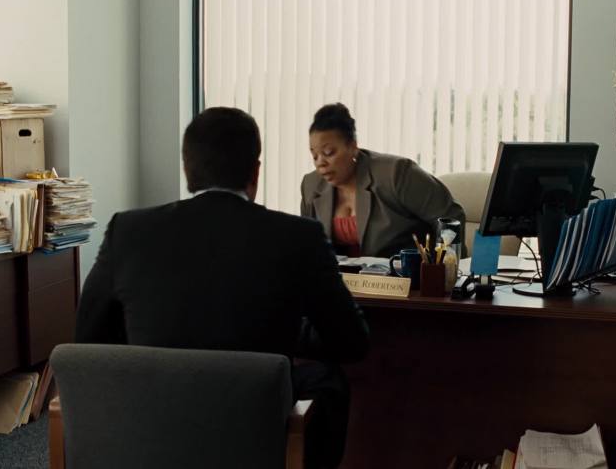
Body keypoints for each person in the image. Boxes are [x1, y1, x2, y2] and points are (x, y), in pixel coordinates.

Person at [76, 107, 369, 469]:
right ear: (255, 172)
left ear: (187, 170)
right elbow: (351, 343)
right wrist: (287, 328)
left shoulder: (128, 230)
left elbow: (87, 337)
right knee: (329, 381)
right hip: (252, 426)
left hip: (152, 425)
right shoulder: (299, 237)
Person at [301, 103, 466, 258]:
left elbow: (450, 217)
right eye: (314, 155)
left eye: (328, 152)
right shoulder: (311, 186)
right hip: (341, 278)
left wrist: (442, 268)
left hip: (403, 275)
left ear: (353, 147)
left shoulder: (396, 174)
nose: (320, 162)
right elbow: (308, 244)